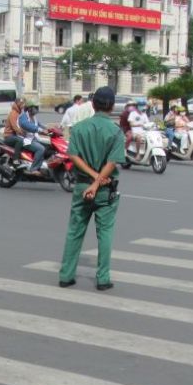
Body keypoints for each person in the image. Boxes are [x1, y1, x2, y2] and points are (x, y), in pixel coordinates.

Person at [58, 86, 123, 292]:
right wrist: (97, 181)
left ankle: (66, 275)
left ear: (93, 104)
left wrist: (92, 179)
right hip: (105, 189)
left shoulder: (79, 128)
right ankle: (103, 278)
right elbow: (112, 162)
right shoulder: (115, 131)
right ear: (112, 106)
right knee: (105, 233)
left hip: (82, 186)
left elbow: (73, 155)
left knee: (75, 231)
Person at [18, 100, 46, 175]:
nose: (37, 109)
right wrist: (39, 130)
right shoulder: (23, 117)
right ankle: (33, 169)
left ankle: (42, 166)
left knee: (48, 146)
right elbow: (27, 125)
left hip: (32, 139)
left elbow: (40, 125)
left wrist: (51, 129)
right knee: (41, 148)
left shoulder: (34, 117)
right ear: (30, 108)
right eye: (35, 107)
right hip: (24, 140)